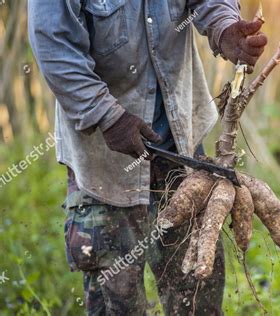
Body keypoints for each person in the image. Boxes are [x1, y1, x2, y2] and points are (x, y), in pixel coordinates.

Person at [28, 0, 267, 314]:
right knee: (117, 304)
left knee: (197, 296)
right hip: (105, 164)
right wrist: (107, 116)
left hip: (181, 152)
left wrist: (224, 27)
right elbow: (54, 46)